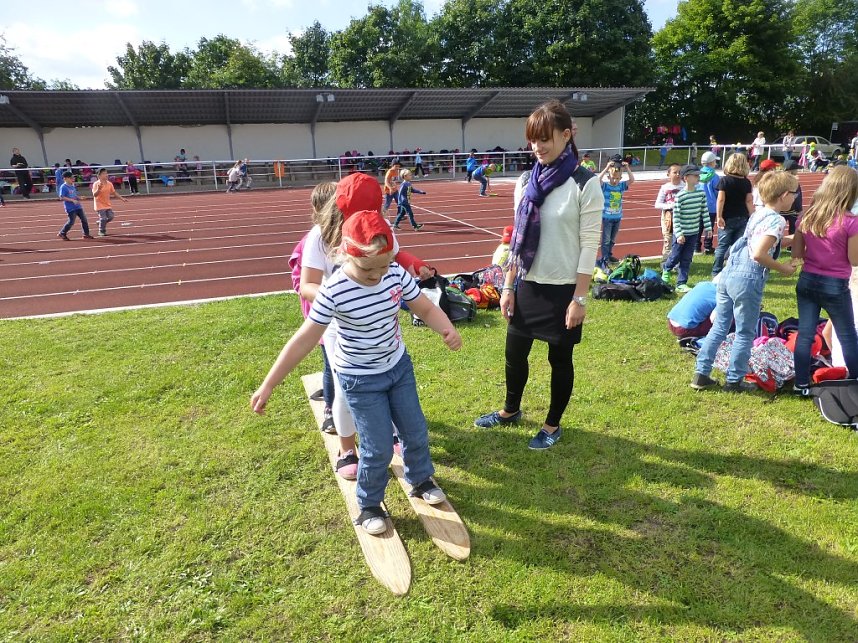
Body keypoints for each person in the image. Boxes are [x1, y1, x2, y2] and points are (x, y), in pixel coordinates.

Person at [252, 209, 461, 535]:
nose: (377, 275)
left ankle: (419, 479)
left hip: (398, 368)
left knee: (415, 429)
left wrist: (446, 328)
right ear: (345, 253)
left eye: (383, 265)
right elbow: (303, 340)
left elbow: (424, 307)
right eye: (368, 268)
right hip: (360, 380)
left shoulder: (392, 272)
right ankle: (369, 505)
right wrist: (268, 385)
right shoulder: (335, 290)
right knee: (377, 446)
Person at [474, 99, 602, 450]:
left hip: (563, 289)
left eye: (545, 138)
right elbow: (518, 238)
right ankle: (509, 410)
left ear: (566, 135)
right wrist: (509, 286)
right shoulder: (526, 181)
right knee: (514, 353)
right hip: (527, 283)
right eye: (533, 140)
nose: (538, 147)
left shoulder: (585, 183)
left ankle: (551, 425)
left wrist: (579, 298)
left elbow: (590, 244)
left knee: (559, 360)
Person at [690, 171, 798, 392]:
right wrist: (783, 268)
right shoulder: (777, 220)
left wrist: (796, 239)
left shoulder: (758, 214)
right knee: (745, 332)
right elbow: (759, 253)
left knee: (719, 327)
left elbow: (765, 242)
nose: (796, 197)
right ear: (784, 195)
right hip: (747, 279)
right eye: (794, 193)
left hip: (729, 274)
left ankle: (701, 374)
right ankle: (734, 380)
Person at [790, 166, 858, 397]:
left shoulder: (807, 216)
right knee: (847, 334)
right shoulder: (851, 222)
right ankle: (855, 380)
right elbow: (854, 259)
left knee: (805, 333)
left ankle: (801, 383)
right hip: (835, 284)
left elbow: (796, 255)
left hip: (807, 279)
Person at [288, 182, 338, 434]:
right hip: (321, 316)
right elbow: (300, 280)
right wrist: (328, 297)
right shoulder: (313, 240)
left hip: (340, 317)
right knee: (330, 364)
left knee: (338, 363)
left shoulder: (343, 235)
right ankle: (330, 408)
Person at [662, 164, 711, 292]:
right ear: (686, 178)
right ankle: (666, 269)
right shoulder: (681, 196)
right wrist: (679, 234)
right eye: (695, 175)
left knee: (687, 258)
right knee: (675, 256)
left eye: (698, 175)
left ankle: (681, 283)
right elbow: (676, 217)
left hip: (694, 233)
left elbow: (704, 211)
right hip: (682, 233)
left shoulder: (700, 193)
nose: (698, 177)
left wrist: (708, 227)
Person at [712, 153, 754, 276]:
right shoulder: (746, 182)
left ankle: (716, 271)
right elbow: (749, 201)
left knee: (722, 246)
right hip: (742, 217)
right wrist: (753, 216)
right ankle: (733, 269)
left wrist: (719, 216)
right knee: (738, 246)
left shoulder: (724, 181)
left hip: (727, 218)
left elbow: (721, 200)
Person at [598, 157, 635, 267]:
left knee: (612, 240)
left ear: (620, 178)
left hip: (617, 217)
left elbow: (632, 180)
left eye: (617, 178)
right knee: (606, 240)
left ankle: (609, 255)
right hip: (607, 217)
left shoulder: (621, 186)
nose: (615, 180)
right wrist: (607, 167)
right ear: (609, 177)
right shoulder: (605, 186)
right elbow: (598, 179)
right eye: (613, 178)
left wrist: (627, 168)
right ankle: (604, 258)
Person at [654, 163, 683, 261]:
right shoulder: (665, 187)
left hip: (682, 217)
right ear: (668, 174)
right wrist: (669, 206)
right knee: (668, 239)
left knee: (679, 239)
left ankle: (677, 261)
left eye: (680, 172)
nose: (678, 174)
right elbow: (657, 204)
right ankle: (665, 262)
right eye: (675, 172)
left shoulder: (685, 187)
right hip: (668, 217)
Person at [91, 167, 128, 237]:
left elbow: (114, 193)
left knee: (111, 217)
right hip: (99, 204)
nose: (106, 175)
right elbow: (94, 195)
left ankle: (100, 223)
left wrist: (122, 198)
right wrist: (98, 189)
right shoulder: (96, 184)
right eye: (104, 174)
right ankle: (101, 231)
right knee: (103, 218)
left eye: (106, 173)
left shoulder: (109, 184)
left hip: (107, 204)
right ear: (99, 176)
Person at [57, 171, 93, 241]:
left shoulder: (72, 185)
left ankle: (86, 234)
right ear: (65, 179)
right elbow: (62, 197)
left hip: (78, 206)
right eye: (71, 178)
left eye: (73, 177)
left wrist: (79, 197)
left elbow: (74, 195)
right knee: (71, 222)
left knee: (84, 220)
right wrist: (72, 200)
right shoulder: (63, 187)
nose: (73, 179)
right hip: (70, 208)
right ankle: (62, 233)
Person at [697, 151, 720, 254]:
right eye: (715, 161)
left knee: (697, 227)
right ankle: (708, 247)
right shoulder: (714, 176)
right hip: (710, 206)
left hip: (698, 205)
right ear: (711, 163)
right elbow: (717, 191)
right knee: (709, 227)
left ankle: (696, 246)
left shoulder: (697, 175)